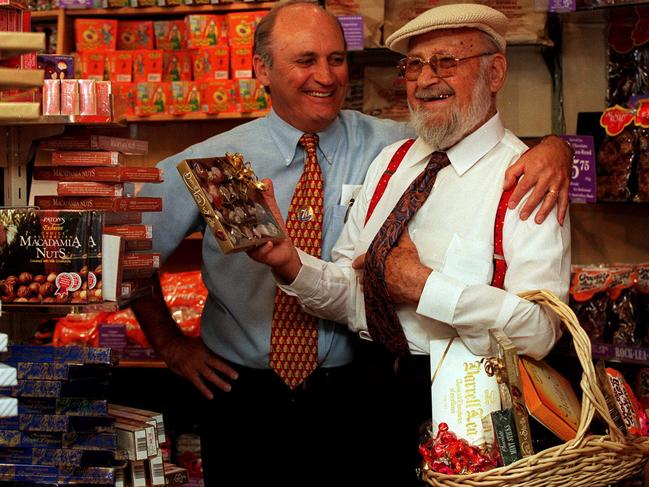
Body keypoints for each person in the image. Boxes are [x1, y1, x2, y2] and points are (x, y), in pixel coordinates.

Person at [132, 2, 573, 486]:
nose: (324, 76)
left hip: (375, 396)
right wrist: (171, 344)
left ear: (495, 72)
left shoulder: (398, 146)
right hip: (246, 390)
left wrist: (557, 146)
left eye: (337, 59)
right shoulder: (217, 160)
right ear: (262, 68)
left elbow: (478, 139)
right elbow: (125, 252)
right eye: (305, 60)